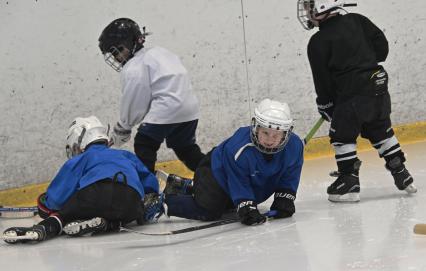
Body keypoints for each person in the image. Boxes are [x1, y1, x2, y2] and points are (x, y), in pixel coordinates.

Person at [297, 0, 417, 202]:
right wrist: (364, 63)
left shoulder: (318, 42)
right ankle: (402, 173)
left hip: (352, 97)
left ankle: (348, 182)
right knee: (380, 129)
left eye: (309, 7)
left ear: (322, 8)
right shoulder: (358, 20)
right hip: (378, 87)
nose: (307, 12)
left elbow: (323, 81)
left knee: (341, 135)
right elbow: (382, 47)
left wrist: (326, 105)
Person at [2, 116, 164, 244]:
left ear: (79, 142)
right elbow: (151, 184)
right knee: (122, 214)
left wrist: (45, 205)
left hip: (95, 194)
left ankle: (45, 228)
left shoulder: (83, 158)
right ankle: (108, 224)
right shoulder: (125, 155)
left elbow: (55, 199)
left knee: (65, 213)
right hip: (131, 200)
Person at [156, 99, 304, 225]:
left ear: (285, 134)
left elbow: (290, 175)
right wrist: (246, 205)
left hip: (235, 183)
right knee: (210, 210)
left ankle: (185, 186)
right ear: (256, 127)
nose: (270, 140)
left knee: (229, 205)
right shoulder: (239, 149)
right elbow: (239, 182)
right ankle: (161, 202)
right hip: (215, 173)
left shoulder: (295, 146)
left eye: (276, 135)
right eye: (265, 132)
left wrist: (285, 197)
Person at [98, 18, 205, 173]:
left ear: (131, 43)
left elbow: (136, 101)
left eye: (118, 51)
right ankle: (216, 176)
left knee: (144, 144)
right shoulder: (160, 52)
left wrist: (123, 127)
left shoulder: (134, 66)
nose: (116, 58)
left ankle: (148, 192)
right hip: (190, 110)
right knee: (186, 149)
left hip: (168, 108)